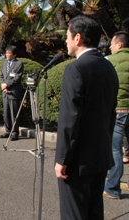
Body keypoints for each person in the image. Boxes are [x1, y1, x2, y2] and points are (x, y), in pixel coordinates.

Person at [54, 15, 118, 220]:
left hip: (78, 161)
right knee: (94, 212)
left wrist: (62, 158)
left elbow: (70, 118)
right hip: (100, 155)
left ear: (78, 37)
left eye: (67, 36)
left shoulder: (75, 69)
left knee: (74, 214)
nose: (65, 41)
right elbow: (110, 113)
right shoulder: (108, 67)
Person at [103, 31, 129, 199]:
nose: (110, 47)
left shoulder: (109, 62)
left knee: (115, 150)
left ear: (119, 45)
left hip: (118, 111)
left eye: (112, 44)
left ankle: (112, 188)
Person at [0, 45, 23, 141]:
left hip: (13, 92)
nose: (7, 55)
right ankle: (7, 130)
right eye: (6, 53)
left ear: (14, 54)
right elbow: (1, 75)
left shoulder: (19, 64)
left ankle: (15, 132)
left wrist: (7, 85)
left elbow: (16, 78)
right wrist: (2, 85)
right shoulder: (4, 63)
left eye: (9, 53)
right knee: (6, 112)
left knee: (14, 113)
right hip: (5, 92)